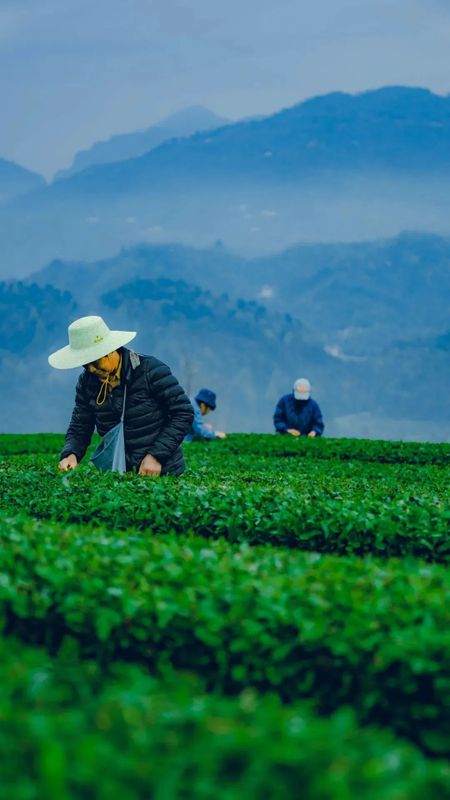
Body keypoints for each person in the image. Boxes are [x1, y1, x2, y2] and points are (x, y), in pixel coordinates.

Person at [48, 315, 194, 476]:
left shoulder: (149, 371)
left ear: (111, 351)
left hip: (163, 470)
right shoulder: (87, 382)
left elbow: (183, 412)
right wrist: (71, 454)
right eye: (85, 364)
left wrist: (156, 456)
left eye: (95, 362)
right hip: (118, 472)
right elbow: (81, 423)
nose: (91, 369)